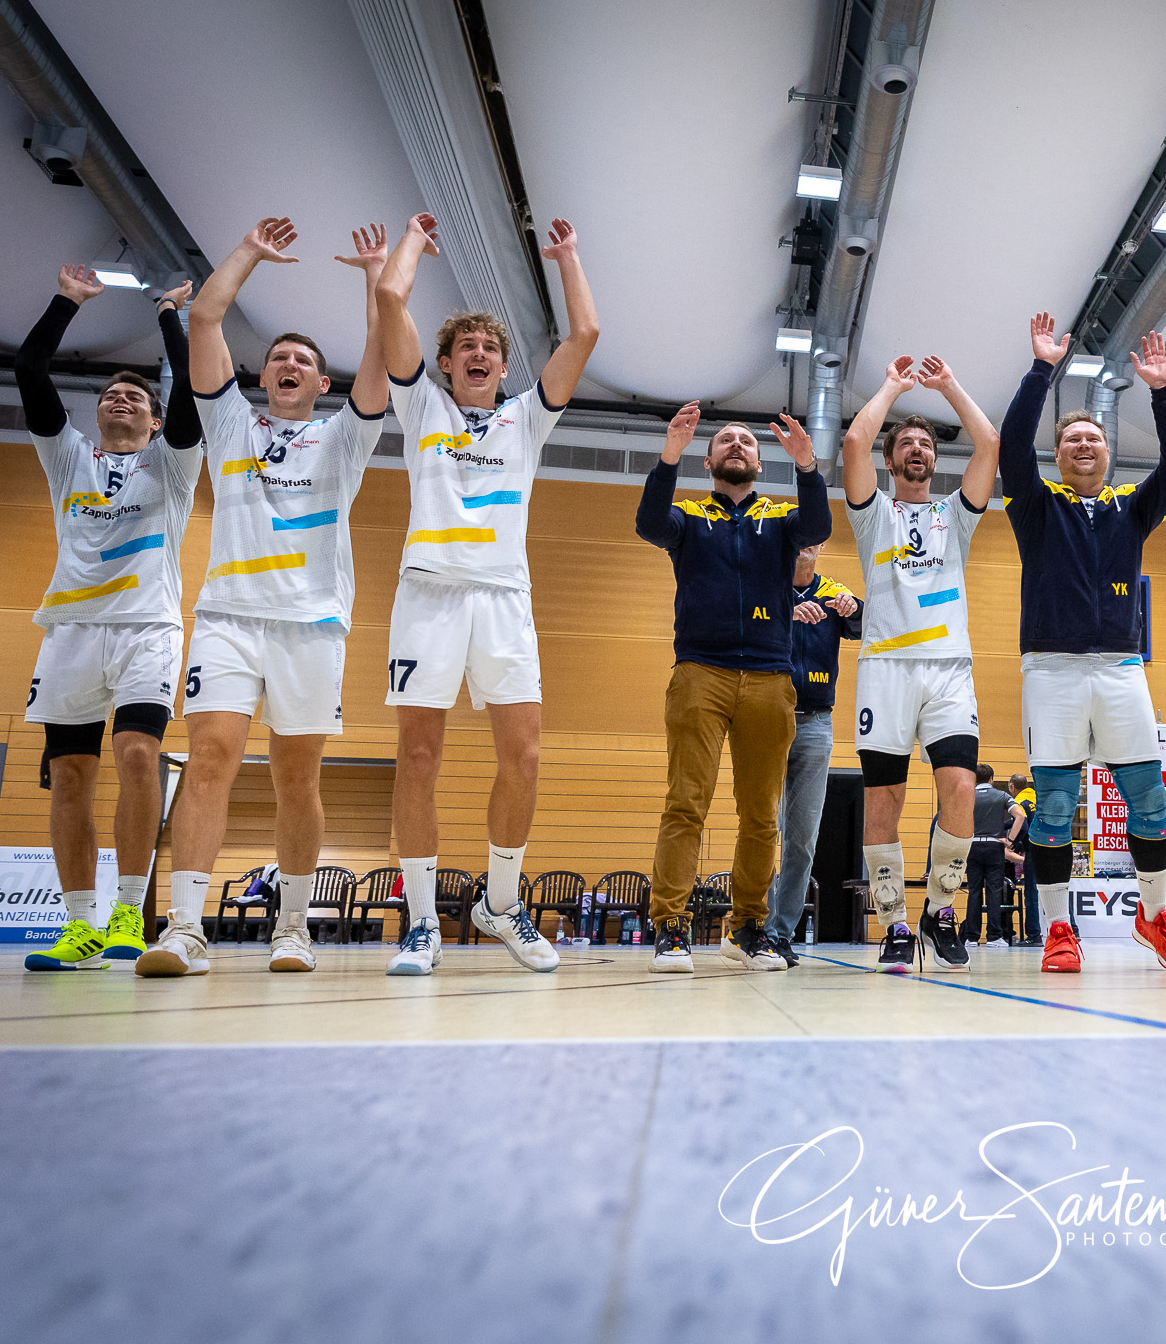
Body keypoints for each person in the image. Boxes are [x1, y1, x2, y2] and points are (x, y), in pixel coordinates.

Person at [139, 219, 389, 978]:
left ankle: (293, 927)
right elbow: (205, 319)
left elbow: (384, 358)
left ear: (321, 384)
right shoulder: (229, 424)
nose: (288, 362)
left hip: (312, 626)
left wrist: (376, 277)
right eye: (279, 356)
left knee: (295, 776)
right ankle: (185, 927)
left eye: (304, 361)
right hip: (228, 618)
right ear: (262, 376)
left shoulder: (345, 439)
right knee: (210, 756)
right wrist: (245, 251)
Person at [374, 211, 600, 976]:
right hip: (429, 595)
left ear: (504, 367)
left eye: (490, 347)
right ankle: (421, 923)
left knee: (525, 756)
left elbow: (585, 337)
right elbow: (390, 306)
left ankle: (500, 905)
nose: (478, 353)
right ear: (444, 363)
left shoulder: (526, 419)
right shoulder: (421, 407)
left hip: (503, 598)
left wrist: (568, 259)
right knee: (418, 756)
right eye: (465, 346)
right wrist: (410, 243)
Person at [17, 266, 202, 971]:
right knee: (69, 775)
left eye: (136, 395)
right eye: (110, 393)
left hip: (147, 629)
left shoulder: (175, 465)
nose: (120, 396)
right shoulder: (68, 460)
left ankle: (129, 909)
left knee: (136, 755)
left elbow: (191, 390)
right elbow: (31, 367)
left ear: (154, 420)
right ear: (97, 415)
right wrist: (67, 299)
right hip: (69, 633)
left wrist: (167, 317)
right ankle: (78, 924)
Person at [1000, 316, 1166, 974]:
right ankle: (1060, 929)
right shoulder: (1035, 506)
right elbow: (1007, 449)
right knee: (1053, 808)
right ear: (1059, 455)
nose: (1084, 443)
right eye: (1073, 438)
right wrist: (1039, 370)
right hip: (1050, 669)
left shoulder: (1131, 511)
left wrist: (1164, 394)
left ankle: (1153, 917)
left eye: (1094, 437)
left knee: (1148, 801)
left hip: (1119, 667)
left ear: (1108, 452)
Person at [637, 404, 832, 973]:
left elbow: (817, 529)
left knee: (761, 816)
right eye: (725, 440)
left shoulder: (782, 518)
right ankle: (670, 926)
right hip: (701, 671)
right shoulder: (688, 515)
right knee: (685, 805)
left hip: (772, 678)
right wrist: (667, 456)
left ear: (759, 461)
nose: (738, 445)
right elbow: (650, 525)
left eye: (747, 440)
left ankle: (747, 927)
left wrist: (808, 466)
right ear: (709, 459)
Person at [841, 354, 1000, 973]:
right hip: (885, 668)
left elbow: (989, 442)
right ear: (891, 461)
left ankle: (939, 910)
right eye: (904, 443)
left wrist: (948, 387)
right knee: (884, 801)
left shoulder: (954, 518)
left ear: (934, 460)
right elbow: (854, 437)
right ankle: (894, 926)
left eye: (924, 443)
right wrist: (893, 386)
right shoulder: (871, 514)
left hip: (948, 668)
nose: (915, 449)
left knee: (960, 787)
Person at [767, 542, 861, 966]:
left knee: (802, 839)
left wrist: (854, 607)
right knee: (760, 829)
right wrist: (783, 611)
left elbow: (872, 623)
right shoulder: (766, 589)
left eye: (814, 535)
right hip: (765, 717)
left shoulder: (834, 593)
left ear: (821, 544)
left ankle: (778, 932)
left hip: (816, 723)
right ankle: (750, 922)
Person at [967, 764, 1017, 947]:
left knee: (974, 892)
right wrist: (1010, 839)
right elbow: (1019, 816)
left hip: (972, 846)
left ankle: (971, 937)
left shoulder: (968, 795)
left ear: (974, 779)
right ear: (991, 779)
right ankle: (994, 936)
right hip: (994, 845)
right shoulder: (1001, 796)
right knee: (994, 892)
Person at [1007, 774, 1039, 943]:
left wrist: (1012, 843)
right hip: (1050, 849)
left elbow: (1023, 827)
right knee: (1058, 890)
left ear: (1012, 786)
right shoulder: (1037, 797)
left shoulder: (1018, 803)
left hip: (1032, 850)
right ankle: (1072, 929)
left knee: (1032, 893)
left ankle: (1034, 936)